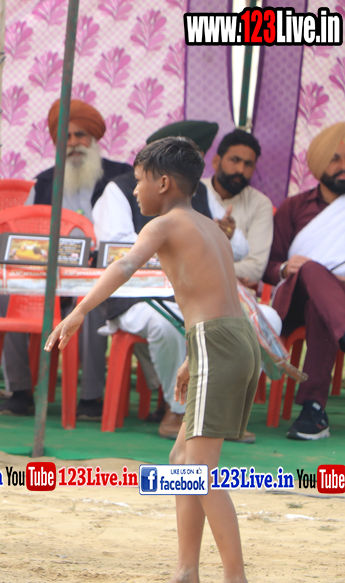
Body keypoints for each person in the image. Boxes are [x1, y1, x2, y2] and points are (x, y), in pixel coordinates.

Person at [47, 137, 260, 583]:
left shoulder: (163, 224)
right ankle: (186, 579)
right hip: (224, 339)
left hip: (218, 344)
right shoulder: (209, 227)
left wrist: (79, 312)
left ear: (163, 183)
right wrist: (192, 357)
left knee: (198, 470)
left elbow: (124, 264)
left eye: (139, 181)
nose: (135, 190)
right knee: (182, 459)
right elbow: (212, 295)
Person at [93, 121, 250, 440]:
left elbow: (237, 248)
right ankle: (178, 409)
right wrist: (176, 245)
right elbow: (118, 251)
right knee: (165, 325)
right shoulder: (120, 190)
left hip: (193, 301)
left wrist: (229, 233)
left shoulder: (197, 193)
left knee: (257, 320)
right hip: (138, 296)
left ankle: (215, 414)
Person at [0, 99, 131, 417]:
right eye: (66, 137)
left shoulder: (121, 179)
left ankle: (90, 398)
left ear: (94, 138)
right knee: (4, 295)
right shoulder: (44, 183)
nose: (73, 143)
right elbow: (24, 239)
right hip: (49, 283)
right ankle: (20, 390)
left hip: (101, 279)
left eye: (80, 135)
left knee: (94, 303)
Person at [263, 122, 345, 441]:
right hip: (294, 300)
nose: (343, 166)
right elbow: (269, 267)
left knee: (318, 308)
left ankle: (313, 410)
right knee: (311, 269)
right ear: (318, 163)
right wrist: (285, 269)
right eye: (335, 158)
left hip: (335, 301)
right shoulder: (294, 207)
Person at [203, 129, 275, 288]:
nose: (241, 170)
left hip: (231, 293)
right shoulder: (193, 191)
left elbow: (255, 268)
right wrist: (230, 275)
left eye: (248, 164)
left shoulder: (260, 204)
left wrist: (204, 272)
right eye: (235, 160)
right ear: (216, 161)